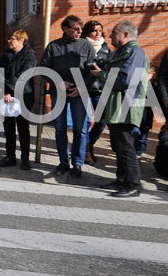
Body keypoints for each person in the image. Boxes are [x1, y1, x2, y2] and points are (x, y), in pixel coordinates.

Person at [89, 21, 149, 197]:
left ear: (126, 34)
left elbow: (126, 80)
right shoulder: (122, 52)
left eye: (114, 32)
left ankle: (133, 184)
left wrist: (101, 74)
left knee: (126, 146)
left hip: (127, 105)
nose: (110, 36)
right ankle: (121, 180)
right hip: (116, 105)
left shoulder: (136, 53)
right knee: (119, 146)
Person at [39, 15, 95, 178]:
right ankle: (63, 161)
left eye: (81, 29)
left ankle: (77, 163)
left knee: (80, 129)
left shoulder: (86, 46)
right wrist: (59, 82)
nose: (79, 32)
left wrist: (81, 87)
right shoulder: (54, 46)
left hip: (80, 93)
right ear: (65, 29)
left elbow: (93, 71)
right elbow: (44, 69)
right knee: (60, 127)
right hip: (59, 92)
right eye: (75, 29)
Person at [0, 29, 36, 170]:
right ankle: (10, 156)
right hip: (7, 96)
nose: (9, 41)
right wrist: (4, 91)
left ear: (21, 40)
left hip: (23, 96)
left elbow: (22, 76)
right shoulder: (7, 55)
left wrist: (10, 92)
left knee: (23, 128)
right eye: (9, 38)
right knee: (9, 128)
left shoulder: (29, 56)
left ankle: (25, 159)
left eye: (12, 38)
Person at [81, 20, 111, 164]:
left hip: (100, 89)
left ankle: (90, 144)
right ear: (88, 32)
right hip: (85, 89)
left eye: (100, 30)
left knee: (102, 121)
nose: (98, 34)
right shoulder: (82, 46)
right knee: (85, 122)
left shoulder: (106, 48)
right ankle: (86, 152)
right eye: (94, 31)